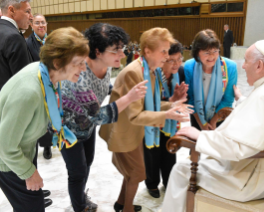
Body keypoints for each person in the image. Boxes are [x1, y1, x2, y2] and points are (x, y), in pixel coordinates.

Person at [161, 40, 264, 212]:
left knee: (181, 170)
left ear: (259, 65)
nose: (243, 66)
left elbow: (239, 147)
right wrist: (242, 99)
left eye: (246, 60)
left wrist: (200, 136)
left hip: (253, 180)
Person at [0, 27, 89, 212]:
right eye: (78, 63)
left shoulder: (48, 76)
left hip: (23, 149)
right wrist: (29, 173)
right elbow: (4, 146)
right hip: (6, 159)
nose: (84, 68)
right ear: (57, 62)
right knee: (33, 207)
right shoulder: (29, 91)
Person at [99, 27, 193, 212]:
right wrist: (167, 114)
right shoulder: (134, 72)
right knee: (137, 173)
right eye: (163, 51)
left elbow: (151, 105)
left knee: (132, 173)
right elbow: (135, 115)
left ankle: (121, 203)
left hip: (135, 130)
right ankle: (127, 209)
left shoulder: (151, 69)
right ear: (148, 51)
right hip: (124, 131)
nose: (166, 57)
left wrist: (172, 104)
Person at [60, 23, 147, 212]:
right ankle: (79, 207)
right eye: (116, 50)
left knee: (87, 164)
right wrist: (128, 97)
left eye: (122, 49)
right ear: (97, 51)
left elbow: (102, 88)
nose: (122, 55)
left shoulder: (106, 66)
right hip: (67, 131)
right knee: (77, 173)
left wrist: (118, 91)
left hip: (87, 128)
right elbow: (98, 116)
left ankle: (81, 197)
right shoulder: (80, 76)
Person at [144, 41, 187, 198]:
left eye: (179, 59)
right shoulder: (152, 74)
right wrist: (171, 101)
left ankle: (169, 181)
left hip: (171, 122)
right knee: (152, 154)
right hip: (154, 122)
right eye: (171, 60)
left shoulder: (180, 72)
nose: (176, 64)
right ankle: (152, 183)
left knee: (170, 151)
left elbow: (182, 97)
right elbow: (147, 103)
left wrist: (180, 102)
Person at [185, 29, 237, 131]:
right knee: (198, 144)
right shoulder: (189, 66)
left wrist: (213, 121)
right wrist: (202, 124)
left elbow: (228, 99)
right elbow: (190, 98)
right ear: (197, 53)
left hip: (220, 116)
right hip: (197, 116)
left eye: (215, 51)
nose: (212, 56)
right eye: (207, 53)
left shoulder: (230, 67)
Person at [26, 13, 53, 160]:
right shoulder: (28, 43)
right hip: (40, 84)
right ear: (31, 25)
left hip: (57, 82)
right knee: (43, 117)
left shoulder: (54, 40)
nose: (41, 25)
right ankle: (47, 145)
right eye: (37, 23)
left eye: (43, 22)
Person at [0, 0, 33, 98]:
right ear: (12, 10)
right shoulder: (13, 37)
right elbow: (24, 82)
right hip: (12, 102)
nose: (31, 16)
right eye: (27, 11)